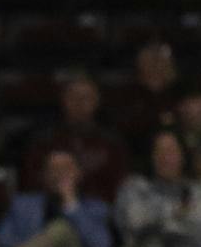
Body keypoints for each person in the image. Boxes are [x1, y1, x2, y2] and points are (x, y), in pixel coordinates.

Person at [0, 149, 115, 247]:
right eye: (54, 169)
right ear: (44, 176)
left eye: (66, 169)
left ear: (78, 174)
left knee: (60, 229)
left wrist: (71, 205)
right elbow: (2, 242)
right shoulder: (22, 205)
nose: (60, 175)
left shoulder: (96, 208)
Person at [21, 72, 130, 203]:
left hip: (99, 213)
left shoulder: (112, 143)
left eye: (86, 98)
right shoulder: (44, 141)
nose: (80, 103)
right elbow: (30, 183)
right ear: (63, 100)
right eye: (73, 97)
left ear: (96, 101)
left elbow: (120, 187)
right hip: (51, 209)